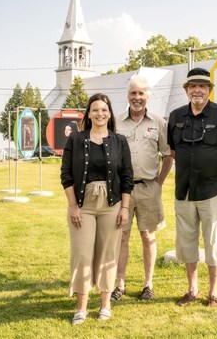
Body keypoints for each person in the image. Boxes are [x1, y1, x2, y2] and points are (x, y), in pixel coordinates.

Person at [167, 67, 217, 308]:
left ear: (210, 90)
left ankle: (213, 292)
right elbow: (172, 150)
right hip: (184, 191)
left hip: (213, 190)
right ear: (187, 90)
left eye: (202, 86)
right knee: (187, 241)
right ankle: (192, 289)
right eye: (192, 86)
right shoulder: (176, 116)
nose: (197, 90)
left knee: (213, 242)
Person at [60, 93, 134, 325]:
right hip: (83, 204)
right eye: (95, 109)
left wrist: (124, 208)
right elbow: (66, 174)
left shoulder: (119, 141)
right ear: (89, 114)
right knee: (82, 254)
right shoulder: (75, 139)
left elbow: (127, 176)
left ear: (109, 113)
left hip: (111, 204)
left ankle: (105, 305)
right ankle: (81, 308)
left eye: (104, 109)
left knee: (107, 254)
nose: (100, 113)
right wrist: (73, 207)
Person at [112, 75, 173, 302]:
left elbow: (168, 155)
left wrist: (158, 184)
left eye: (141, 93)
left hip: (149, 188)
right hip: (122, 190)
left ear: (148, 95)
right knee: (122, 237)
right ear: (127, 96)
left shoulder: (159, 122)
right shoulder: (116, 123)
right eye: (133, 93)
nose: (137, 98)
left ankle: (148, 284)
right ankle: (120, 284)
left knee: (148, 236)